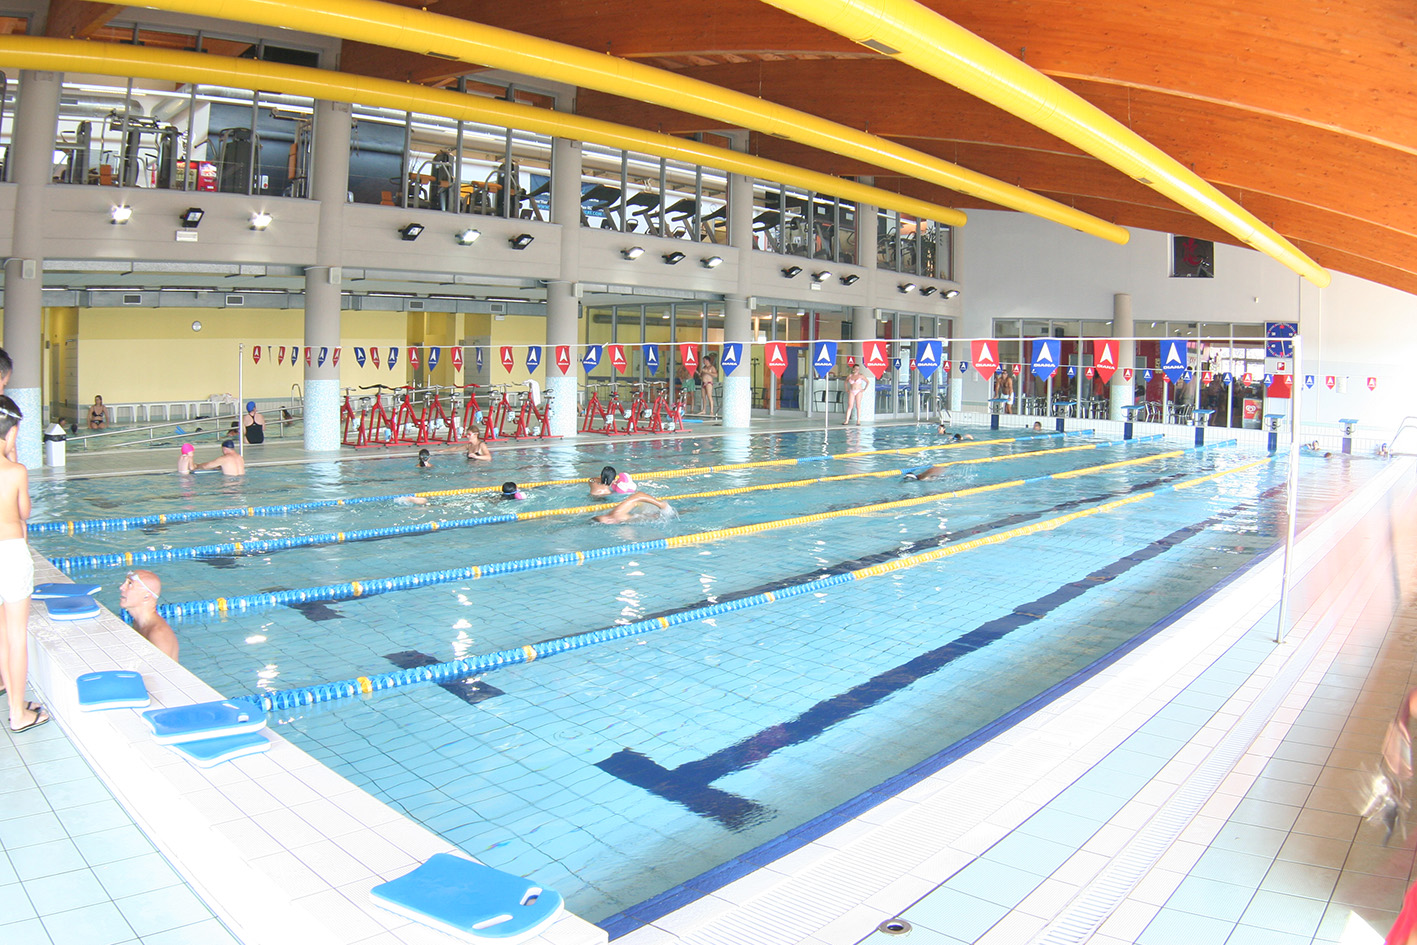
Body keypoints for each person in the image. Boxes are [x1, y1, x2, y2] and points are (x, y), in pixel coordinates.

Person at [0, 395, 45, 733]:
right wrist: (12, 458)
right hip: (10, 554)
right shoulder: (14, 472)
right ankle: (18, 713)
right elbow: (24, 512)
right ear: (12, 432)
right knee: (15, 635)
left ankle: (12, 700)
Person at [118, 569, 179, 662]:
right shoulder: (138, 623)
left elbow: (164, 670)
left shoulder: (158, 634)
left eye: (130, 584)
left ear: (146, 596)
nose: (121, 587)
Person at [592, 491, 672, 524]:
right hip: (654, 516)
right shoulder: (618, 520)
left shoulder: (616, 514)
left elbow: (639, 495)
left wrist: (661, 505)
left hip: (662, 513)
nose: (610, 521)